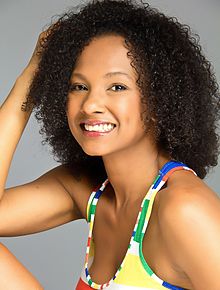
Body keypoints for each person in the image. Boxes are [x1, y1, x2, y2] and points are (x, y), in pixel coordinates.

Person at [0, 0, 220, 289]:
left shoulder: (184, 210)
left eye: (117, 87)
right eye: (78, 86)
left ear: (161, 100)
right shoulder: (87, 188)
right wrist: (31, 75)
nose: (90, 104)